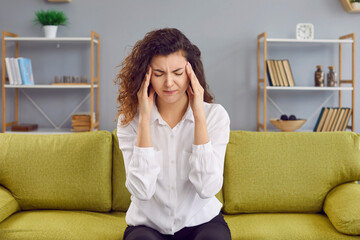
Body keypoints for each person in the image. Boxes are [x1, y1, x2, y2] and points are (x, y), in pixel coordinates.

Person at [115, 28, 231, 240]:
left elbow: (207, 188)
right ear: (146, 76)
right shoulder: (129, 121)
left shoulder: (216, 116)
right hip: (147, 225)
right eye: (159, 74)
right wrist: (144, 121)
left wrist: (198, 115)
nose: (169, 83)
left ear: (191, 73)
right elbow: (141, 191)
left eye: (177, 73)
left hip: (202, 222)